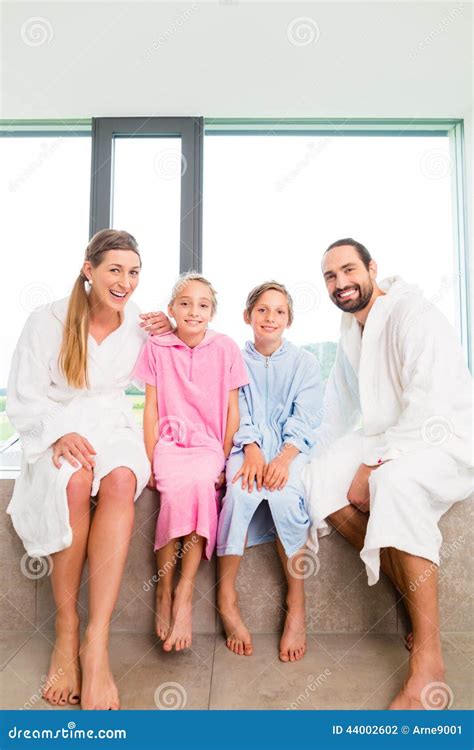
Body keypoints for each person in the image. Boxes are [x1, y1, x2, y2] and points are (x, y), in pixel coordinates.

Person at [303, 238, 473, 709]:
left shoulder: (411, 314)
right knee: (317, 478)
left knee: (391, 484)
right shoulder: (350, 326)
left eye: (348, 270)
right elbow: (338, 404)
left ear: (372, 268)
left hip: (440, 437)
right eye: (330, 277)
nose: (340, 283)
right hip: (388, 436)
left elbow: (430, 405)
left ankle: (429, 664)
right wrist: (293, 455)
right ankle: (408, 592)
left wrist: (374, 464)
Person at [6, 229, 171, 710]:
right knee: (75, 480)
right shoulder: (48, 319)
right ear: (89, 269)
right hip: (57, 422)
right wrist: (57, 433)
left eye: (134, 272)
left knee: (120, 480)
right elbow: (25, 394)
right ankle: (67, 630)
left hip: (112, 423)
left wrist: (175, 326)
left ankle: (96, 643)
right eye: (114, 270)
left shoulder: (141, 322)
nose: (125, 282)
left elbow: (192, 350)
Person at [133, 273, 249, 652]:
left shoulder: (226, 348)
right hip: (168, 442)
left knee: (200, 485)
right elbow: (150, 409)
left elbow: (232, 412)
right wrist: (150, 459)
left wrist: (225, 461)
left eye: (202, 305)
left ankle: (183, 592)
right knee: (175, 491)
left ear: (212, 312)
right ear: (172, 309)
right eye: (185, 303)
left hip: (208, 447)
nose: (193, 311)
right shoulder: (157, 348)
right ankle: (163, 590)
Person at [217, 282, 322, 661]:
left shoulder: (305, 363)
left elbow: (307, 417)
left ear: (289, 319)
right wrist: (253, 451)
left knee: (286, 496)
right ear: (248, 316)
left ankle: (297, 603)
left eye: (279, 311)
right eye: (262, 310)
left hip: (291, 452)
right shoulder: (233, 358)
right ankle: (226, 597)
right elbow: (236, 410)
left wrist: (282, 458)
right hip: (245, 448)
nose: (270, 318)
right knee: (240, 493)